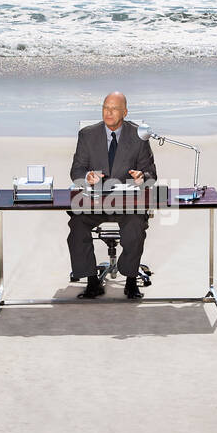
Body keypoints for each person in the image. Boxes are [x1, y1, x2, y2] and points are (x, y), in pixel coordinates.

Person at [67, 91, 157, 299]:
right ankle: (91, 281)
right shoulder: (87, 135)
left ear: (125, 112)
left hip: (127, 205)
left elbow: (151, 175)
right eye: (105, 107)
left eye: (114, 108)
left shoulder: (138, 136)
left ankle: (131, 279)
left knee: (135, 227)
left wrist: (141, 177)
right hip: (94, 203)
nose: (108, 112)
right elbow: (76, 171)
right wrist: (87, 176)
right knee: (77, 227)